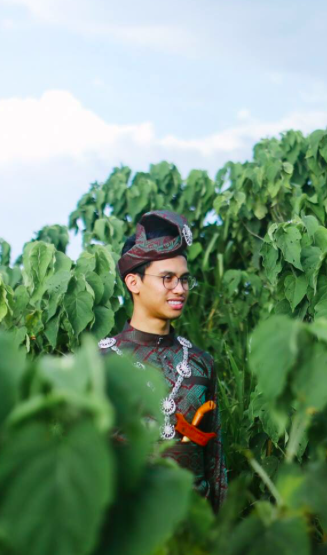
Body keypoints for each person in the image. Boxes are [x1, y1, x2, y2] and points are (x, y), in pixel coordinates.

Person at [98, 210, 227, 511]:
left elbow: (216, 464)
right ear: (134, 282)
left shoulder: (200, 363)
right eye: (167, 278)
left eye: (184, 280)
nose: (180, 289)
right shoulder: (100, 364)